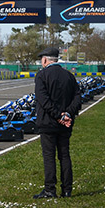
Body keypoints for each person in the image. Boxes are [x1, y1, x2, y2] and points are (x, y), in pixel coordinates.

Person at [33, 47, 82, 199]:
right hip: (65, 124)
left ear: (45, 60)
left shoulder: (42, 75)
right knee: (64, 155)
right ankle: (67, 189)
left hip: (48, 122)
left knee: (49, 157)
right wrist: (67, 114)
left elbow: (43, 100)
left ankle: (50, 189)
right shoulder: (69, 76)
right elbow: (78, 97)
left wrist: (58, 115)